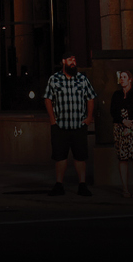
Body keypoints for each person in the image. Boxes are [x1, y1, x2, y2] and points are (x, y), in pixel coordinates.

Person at [44, 53, 96, 196]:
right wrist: (52, 119)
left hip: (78, 126)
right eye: (70, 60)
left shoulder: (82, 79)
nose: (73, 62)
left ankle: (82, 185)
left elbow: (90, 98)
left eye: (74, 60)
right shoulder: (54, 79)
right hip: (60, 126)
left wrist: (89, 117)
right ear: (63, 61)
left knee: (80, 157)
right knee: (60, 157)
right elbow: (48, 99)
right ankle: (59, 185)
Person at [110, 67, 133, 198]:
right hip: (119, 127)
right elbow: (113, 111)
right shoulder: (116, 95)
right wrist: (122, 121)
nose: (122, 79)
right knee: (122, 158)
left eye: (124, 77)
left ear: (130, 79)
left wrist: (129, 123)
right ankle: (125, 188)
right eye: (121, 77)